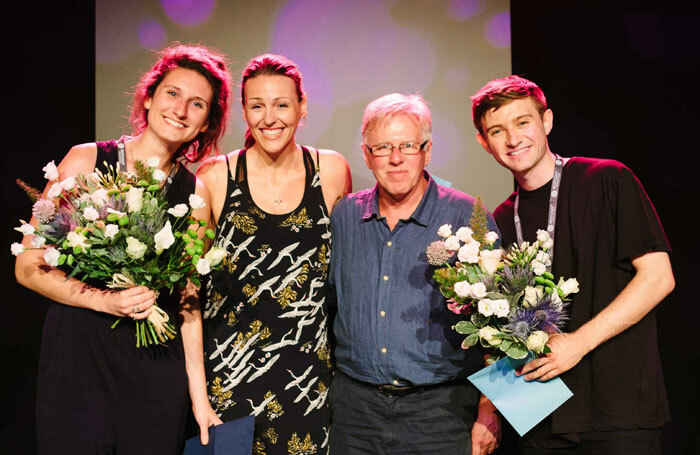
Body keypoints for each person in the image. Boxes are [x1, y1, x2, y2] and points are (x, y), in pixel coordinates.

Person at [14, 43, 233, 454]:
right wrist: (105, 301)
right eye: (172, 93)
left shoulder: (195, 193)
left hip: (153, 368)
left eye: (197, 104)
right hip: (78, 360)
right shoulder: (85, 161)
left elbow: (188, 304)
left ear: (206, 123)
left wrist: (199, 398)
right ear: (148, 97)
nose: (181, 110)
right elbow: (27, 265)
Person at [471, 75, 674, 454]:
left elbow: (659, 278)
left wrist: (578, 343)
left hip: (619, 413)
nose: (513, 139)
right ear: (484, 142)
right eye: (497, 130)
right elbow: (498, 328)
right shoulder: (500, 219)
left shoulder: (607, 179)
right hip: (541, 417)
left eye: (523, 122)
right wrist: (491, 409)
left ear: (546, 121)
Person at [191, 54, 351, 454]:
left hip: (311, 387)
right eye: (256, 105)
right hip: (229, 385)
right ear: (243, 110)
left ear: (302, 106)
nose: (269, 117)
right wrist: (198, 394)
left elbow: (343, 280)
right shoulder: (214, 177)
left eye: (281, 104)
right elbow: (188, 291)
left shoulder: (330, 170)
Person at [328, 93, 501, 455]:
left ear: (427, 150)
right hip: (355, 413)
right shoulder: (344, 217)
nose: (395, 158)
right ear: (366, 154)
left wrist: (490, 409)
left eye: (407, 145)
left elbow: (500, 326)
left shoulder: (468, 217)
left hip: (441, 413)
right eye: (382, 147)